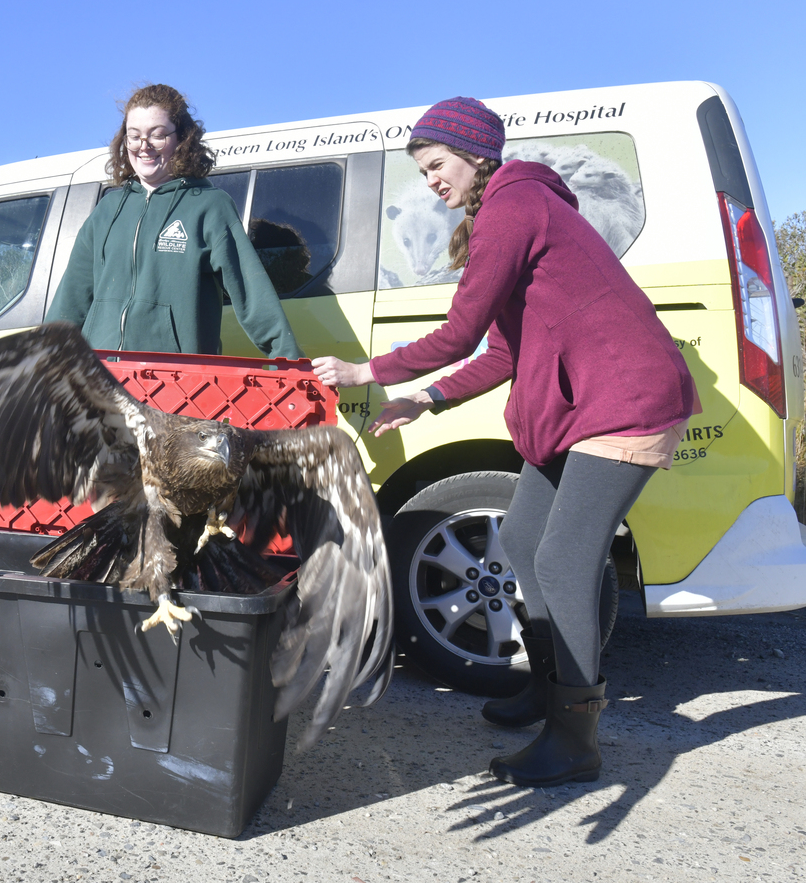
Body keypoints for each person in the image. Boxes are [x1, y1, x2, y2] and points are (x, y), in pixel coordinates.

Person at [312, 97, 697, 788]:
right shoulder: (512, 214)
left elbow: (458, 333)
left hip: (624, 401)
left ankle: (575, 736)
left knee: (563, 560)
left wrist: (365, 370)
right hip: (581, 408)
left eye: (435, 165)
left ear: (474, 154)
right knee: (522, 539)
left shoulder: (514, 207)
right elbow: (499, 351)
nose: (429, 180)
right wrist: (422, 399)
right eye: (423, 170)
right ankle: (549, 689)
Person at [45, 84, 303, 359]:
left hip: (176, 382)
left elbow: (252, 295)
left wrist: (290, 362)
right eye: (134, 137)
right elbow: (72, 297)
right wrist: (42, 359)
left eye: (157, 136)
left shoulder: (209, 205)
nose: (143, 147)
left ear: (182, 138)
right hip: (103, 377)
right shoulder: (107, 209)